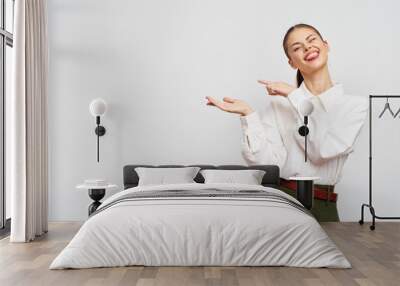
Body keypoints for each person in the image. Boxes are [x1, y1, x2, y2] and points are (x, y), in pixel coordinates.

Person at [206, 23, 368, 222]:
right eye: (297, 48)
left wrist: (295, 95)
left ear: (326, 45)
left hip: (323, 205)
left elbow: (321, 151)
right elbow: (268, 165)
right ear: (291, 62)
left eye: (311, 40)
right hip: (280, 201)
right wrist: (249, 116)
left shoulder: (353, 106)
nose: (307, 48)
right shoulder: (278, 105)